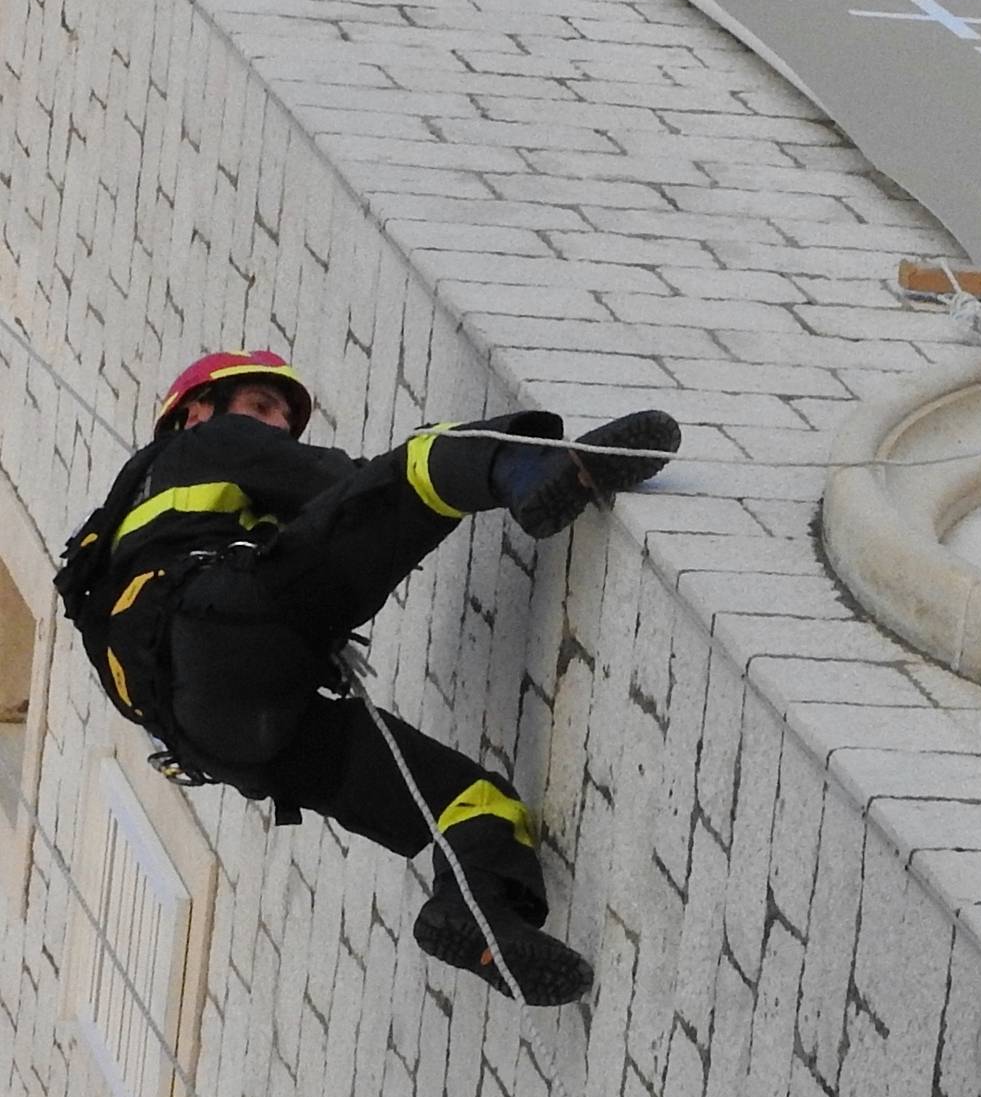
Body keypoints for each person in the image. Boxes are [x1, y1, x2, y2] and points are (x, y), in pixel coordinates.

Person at [56, 349, 679, 1007]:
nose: (273, 427)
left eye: (281, 417)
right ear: (194, 411)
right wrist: (390, 488)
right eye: (260, 406)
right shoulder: (207, 443)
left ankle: (477, 913)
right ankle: (532, 465)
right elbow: (344, 485)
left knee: (469, 803)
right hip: (227, 622)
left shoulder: (118, 548)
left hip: (225, 739)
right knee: (415, 469)